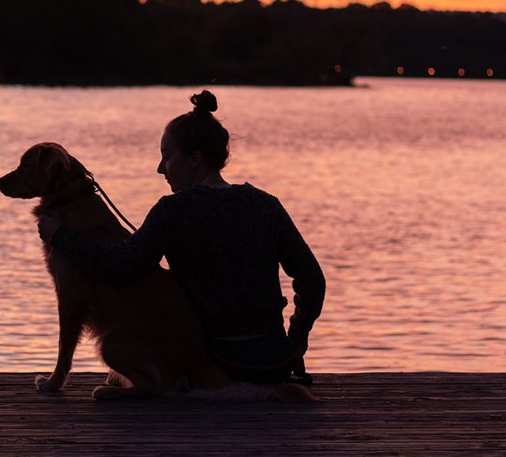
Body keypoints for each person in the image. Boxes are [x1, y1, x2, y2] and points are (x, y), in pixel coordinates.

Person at [38, 90, 325, 383]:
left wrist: (59, 236)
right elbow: (313, 281)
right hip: (272, 361)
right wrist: (295, 343)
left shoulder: (174, 209)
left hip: (212, 363)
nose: (160, 168)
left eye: (166, 157)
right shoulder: (266, 204)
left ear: (194, 159)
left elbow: (120, 265)